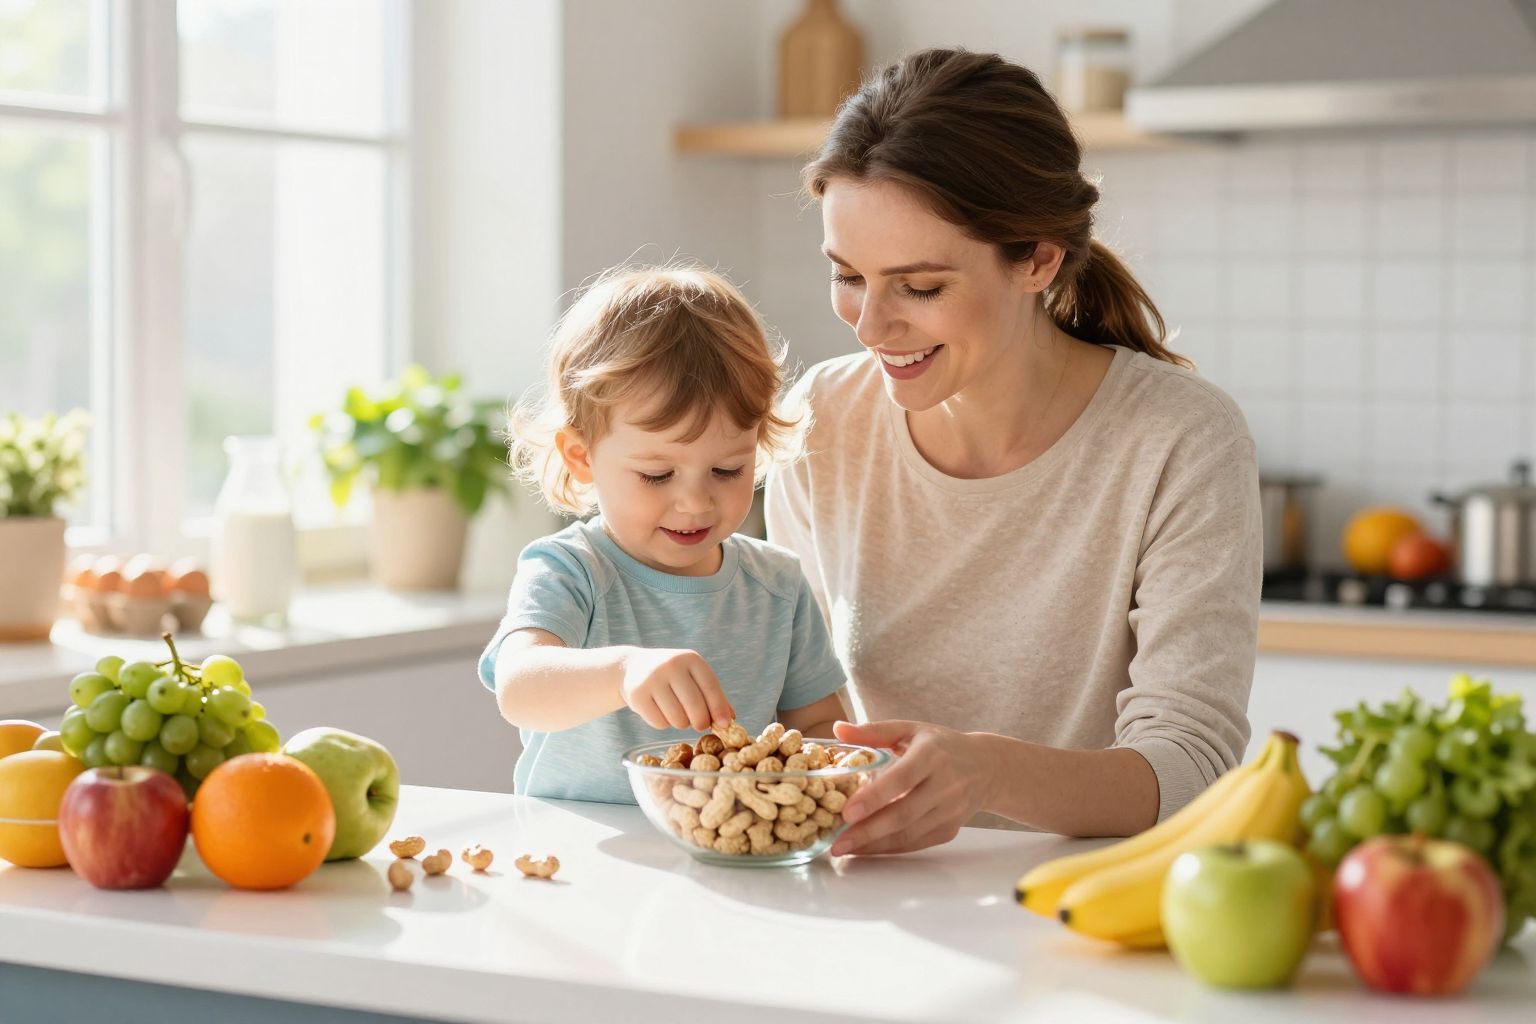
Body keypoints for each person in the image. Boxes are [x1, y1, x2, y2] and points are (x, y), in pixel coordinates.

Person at [765, 48, 1262, 855]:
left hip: (1085, 900)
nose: (870, 326)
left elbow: (1190, 767)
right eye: (848, 276)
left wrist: (986, 774)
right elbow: (797, 703)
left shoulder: (1180, 438)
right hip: (870, 895)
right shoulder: (822, 421)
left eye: (920, 287)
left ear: (1037, 259)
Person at [479, 264, 847, 803]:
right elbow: (520, 687)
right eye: (657, 475)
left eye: (727, 470)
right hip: (574, 848)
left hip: (725, 846)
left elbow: (814, 726)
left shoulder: (777, 584)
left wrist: (846, 765)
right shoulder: (571, 570)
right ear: (581, 457)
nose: (696, 502)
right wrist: (623, 672)